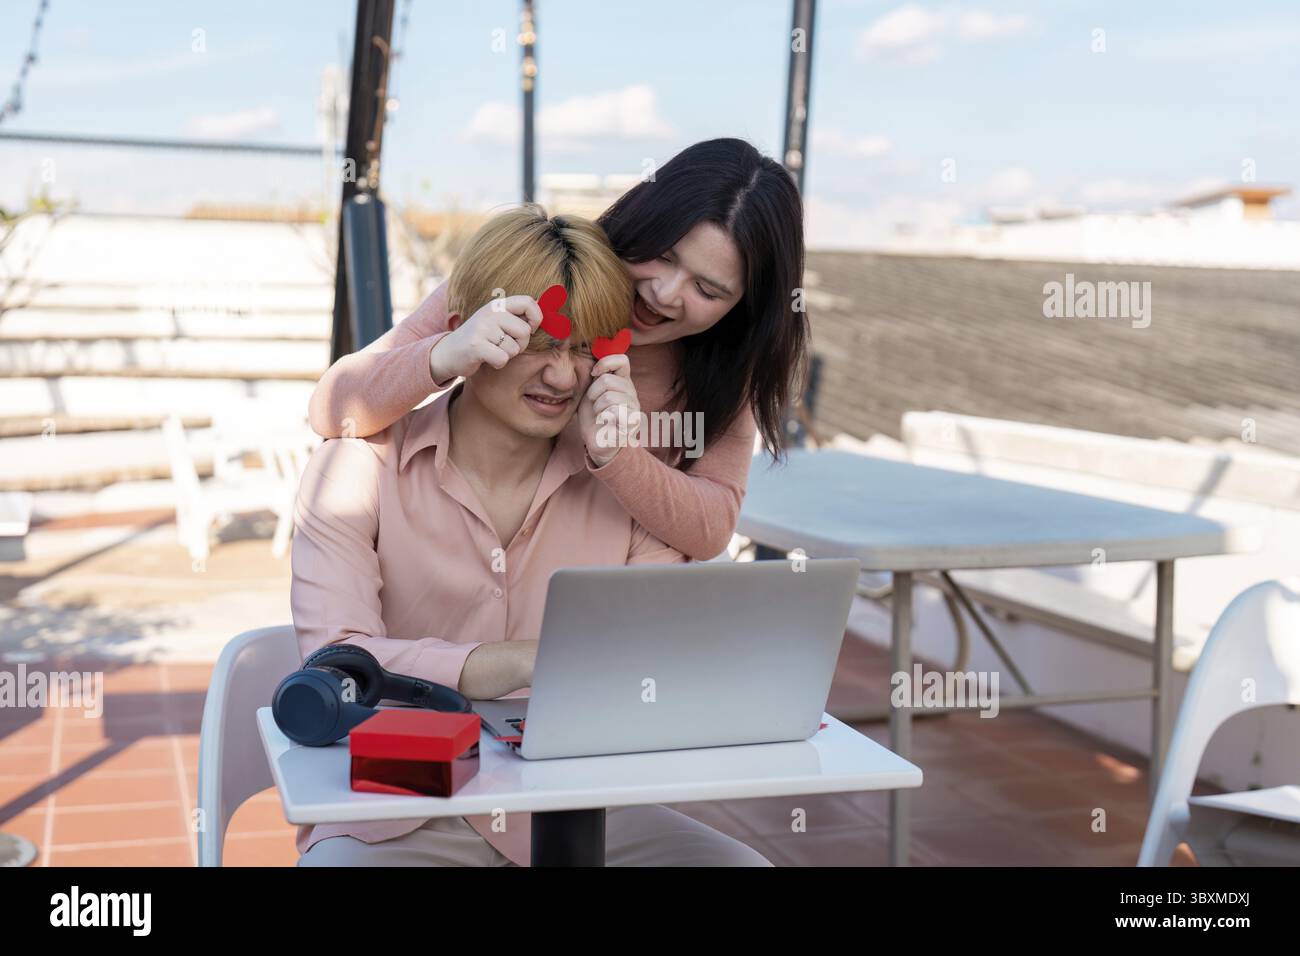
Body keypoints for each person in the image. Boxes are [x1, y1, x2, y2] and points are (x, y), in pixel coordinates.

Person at [292, 206, 770, 866]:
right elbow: (336, 663)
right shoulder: (357, 468)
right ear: (471, 336)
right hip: (404, 801)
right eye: (539, 342)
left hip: (578, 807)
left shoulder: (626, 486)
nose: (562, 376)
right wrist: (520, 661)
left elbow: (651, 656)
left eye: (583, 349)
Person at [308, 137, 809, 561]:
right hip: (462, 569)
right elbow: (333, 409)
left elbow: (711, 528)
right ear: (641, 221)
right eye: (661, 255)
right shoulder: (540, 274)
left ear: (741, 309)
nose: (665, 293)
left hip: (591, 609)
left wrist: (617, 455)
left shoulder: (723, 369)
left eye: (707, 290)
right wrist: (443, 353)